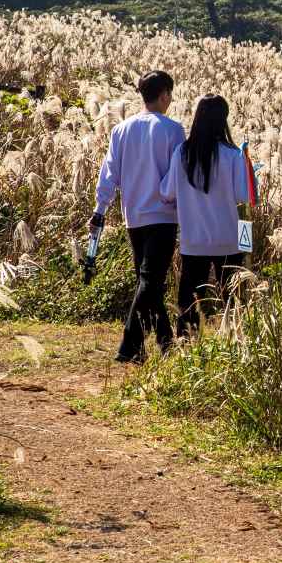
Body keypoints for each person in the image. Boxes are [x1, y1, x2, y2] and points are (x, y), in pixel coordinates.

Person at [92, 70, 185, 363]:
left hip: (133, 216)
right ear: (164, 95)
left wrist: (100, 209)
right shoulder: (173, 130)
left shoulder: (121, 130)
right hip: (163, 215)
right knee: (150, 282)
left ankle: (165, 343)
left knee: (149, 283)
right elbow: (177, 177)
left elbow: (109, 173)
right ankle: (129, 347)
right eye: (170, 94)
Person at [160, 94, 249, 338]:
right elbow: (245, 196)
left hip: (194, 239)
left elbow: (166, 192)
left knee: (189, 297)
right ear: (223, 119)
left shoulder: (182, 153)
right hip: (229, 238)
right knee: (232, 297)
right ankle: (234, 340)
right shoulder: (233, 155)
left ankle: (186, 341)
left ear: (197, 118)